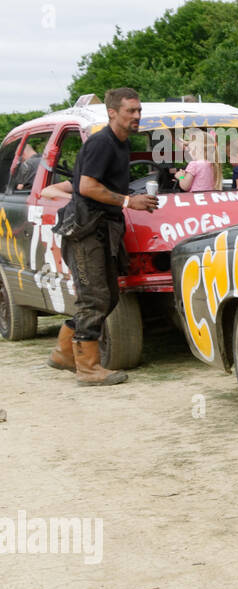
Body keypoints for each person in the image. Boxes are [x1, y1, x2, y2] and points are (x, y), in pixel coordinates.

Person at [49, 87, 158, 385]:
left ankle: (63, 352)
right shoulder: (102, 143)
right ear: (113, 112)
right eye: (131, 111)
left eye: (138, 110)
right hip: (85, 230)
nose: (137, 116)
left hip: (102, 228)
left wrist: (132, 199)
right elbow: (86, 186)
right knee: (94, 298)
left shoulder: (122, 144)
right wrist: (127, 201)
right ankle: (87, 368)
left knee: (107, 296)